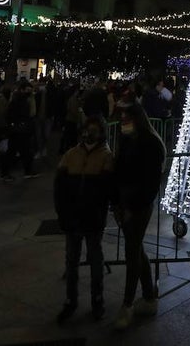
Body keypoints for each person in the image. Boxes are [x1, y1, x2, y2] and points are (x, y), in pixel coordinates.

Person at [54, 114, 115, 323]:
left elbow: (107, 190)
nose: (89, 133)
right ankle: (70, 301)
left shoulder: (106, 156)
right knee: (71, 260)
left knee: (95, 259)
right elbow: (59, 187)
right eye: (87, 128)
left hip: (92, 217)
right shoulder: (71, 154)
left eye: (94, 129)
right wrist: (62, 213)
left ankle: (97, 301)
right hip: (72, 216)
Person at [111, 102, 165, 329]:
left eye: (126, 118)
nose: (122, 122)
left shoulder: (151, 144)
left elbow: (150, 182)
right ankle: (149, 296)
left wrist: (132, 206)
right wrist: (116, 203)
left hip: (140, 206)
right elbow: (117, 172)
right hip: (125, 204)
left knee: (132, 251)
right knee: (136, 248)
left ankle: (128, 304)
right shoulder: (126, 140)